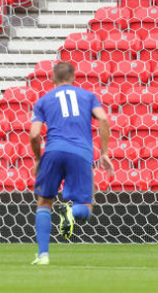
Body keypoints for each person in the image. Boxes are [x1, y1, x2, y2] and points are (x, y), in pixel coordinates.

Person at [30, 62, 113, 265]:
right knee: (85, 207)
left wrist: (39, 159)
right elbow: (103, 119)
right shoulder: (88, 96)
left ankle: (43, 256)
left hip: (53, 151)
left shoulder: (43, 100)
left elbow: (34, 134)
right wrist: (104, 153)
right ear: (73, 77)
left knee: (44, 202)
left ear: (52, 78)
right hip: (81, 153)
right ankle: (71, 212)